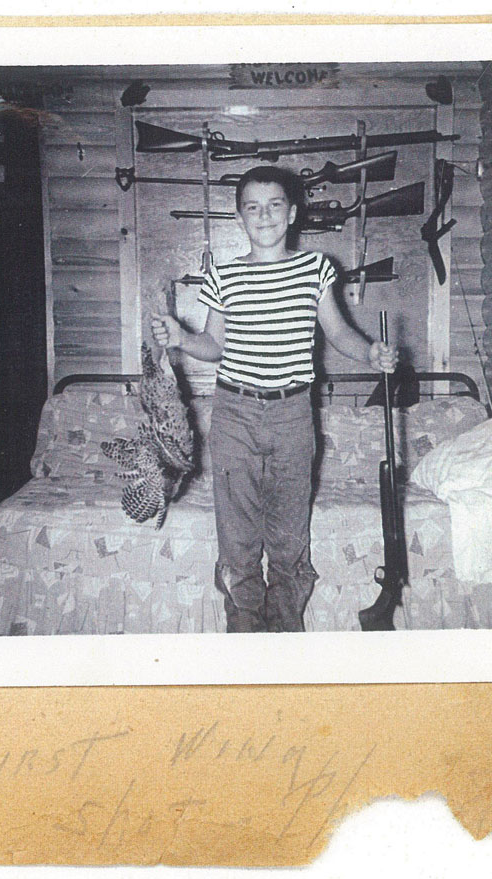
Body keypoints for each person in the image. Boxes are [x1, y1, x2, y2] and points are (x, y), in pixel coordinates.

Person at [152, 165, 397, 633]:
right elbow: (214, 345)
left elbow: (339, 331)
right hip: (234, 415)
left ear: (293, 214)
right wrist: (182, 337)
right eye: (252, 207)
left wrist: (371, 352)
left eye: (274, 205)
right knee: (238, 539)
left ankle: (286, 640)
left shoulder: (315, 268)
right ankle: (244, 639)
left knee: (288, 540)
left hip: (291, 416)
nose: (264, 215)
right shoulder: (222, 277)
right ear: (240, 217)